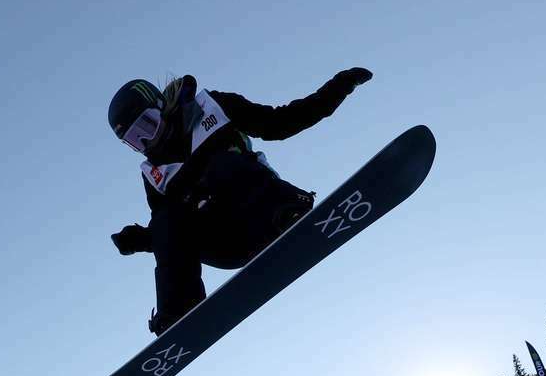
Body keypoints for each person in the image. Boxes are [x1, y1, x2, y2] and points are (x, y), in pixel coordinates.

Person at [107, 68, 374, 334]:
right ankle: (180, 312)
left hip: (266, 212)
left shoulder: (212, 108)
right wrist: (144, 239)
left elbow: (282, 122)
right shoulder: (154, 174)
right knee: (165, 219)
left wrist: (339, 87)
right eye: (134, 140)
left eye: (147, 124)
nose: (146, 140)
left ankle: (289, 216)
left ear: (162, 106)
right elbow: (172, 235)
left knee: (222, 166)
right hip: (228, 245)